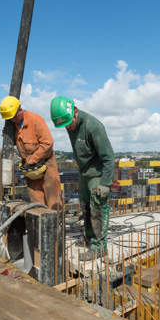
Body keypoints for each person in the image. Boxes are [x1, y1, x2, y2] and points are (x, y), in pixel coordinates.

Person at [50, 96, 114, 260]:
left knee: (97, 208)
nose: (68, 127)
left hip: (97, 173)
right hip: (84, 171)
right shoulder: (69, 123)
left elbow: (108, 157)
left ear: (75, 111)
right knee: (85, 206)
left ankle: (99, 247)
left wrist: (105, 183)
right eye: (64, 125)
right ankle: (88, 236)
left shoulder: (93, 126)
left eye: (69, 123)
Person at [0, 96, 60, 210]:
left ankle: (56, 224)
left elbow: (47, 143)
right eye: (10, 118)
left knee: (53, 199)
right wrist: (8, 136)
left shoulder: (36, 120)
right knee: (36, 198)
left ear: (19, 109)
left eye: (13, 117)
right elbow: (19, 141)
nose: (12, 120)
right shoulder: (13, 124)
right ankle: (40, 224)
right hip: (29, 167)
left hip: (46, 163)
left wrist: (33, 159)